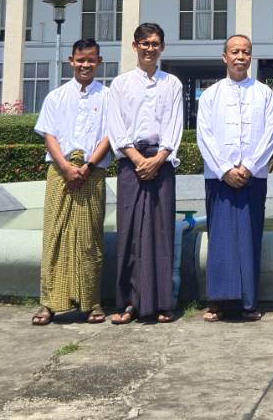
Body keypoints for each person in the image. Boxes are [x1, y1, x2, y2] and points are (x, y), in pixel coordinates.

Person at [105, 22, 184, 325]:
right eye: (145, 43)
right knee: (129, 233)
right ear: (135, 46)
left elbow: (175, 125)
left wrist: (159, 158)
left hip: (162, 164)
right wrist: (139, 159)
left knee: (161, 232)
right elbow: (116, 126)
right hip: (131, 163)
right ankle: (129, 303)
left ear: (162, 47)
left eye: (155, 43)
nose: (150, 48)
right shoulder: (120, 84)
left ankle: (162, 302)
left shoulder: (172, 84)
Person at [196, 34, 273, 323]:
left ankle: (248, 302)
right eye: (235, 52)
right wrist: (224, 169)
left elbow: (271, 134)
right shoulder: (211, 94)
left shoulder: (264, 93)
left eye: (245, 52)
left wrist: (249, 167)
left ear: (250, 57)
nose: (240, 57)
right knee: (220, 238)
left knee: (249, 237)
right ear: (225, 57)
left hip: (252, 177)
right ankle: (217, 301)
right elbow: (204, 135)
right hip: (218, 177)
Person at [32, 38, 112, 326]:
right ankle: (49, 304)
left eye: (91, 60)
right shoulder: (56, 97)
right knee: (54, 237)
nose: (85, 65)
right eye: (80, 60)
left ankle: (92, 303)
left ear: (99, 62)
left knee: (89, 240)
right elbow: (49, 135)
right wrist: (66, 167)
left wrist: (87, 166)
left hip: (93, 173)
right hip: (60, 172)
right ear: (71, 61)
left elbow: (109, 136)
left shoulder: (108, 97)